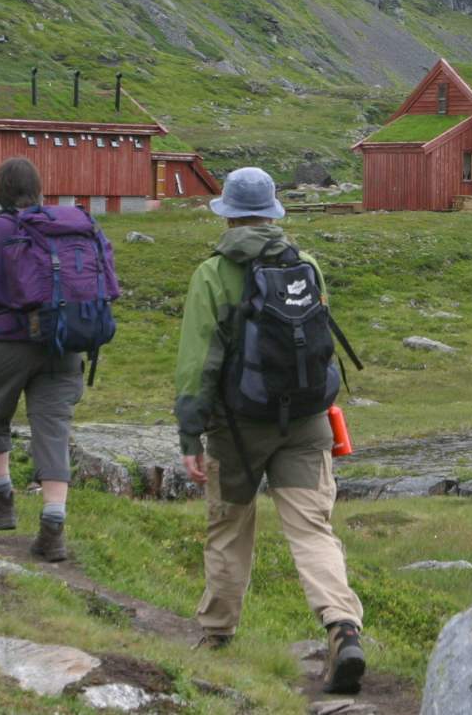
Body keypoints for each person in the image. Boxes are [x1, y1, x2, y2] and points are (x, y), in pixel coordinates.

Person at [174, 167, 367, 694]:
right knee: (312, 530)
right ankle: (342, 627)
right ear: (274, 213)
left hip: (237, 428)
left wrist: (191, 436)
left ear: (229, 213)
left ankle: (216, 635)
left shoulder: (213, 273)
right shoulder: (306, 265)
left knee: (230, 527)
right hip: (306, 423)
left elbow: (197, 365)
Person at [0, 157, 95, 561]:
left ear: (0, 188)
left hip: (9, 339)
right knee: (52, 429)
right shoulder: (66, 225)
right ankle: (53, 529)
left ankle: (1, 505)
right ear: (38, 188)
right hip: (64, 340)